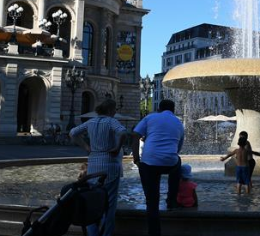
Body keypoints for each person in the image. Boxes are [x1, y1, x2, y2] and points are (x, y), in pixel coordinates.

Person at [69, 98, 128, 236]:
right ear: (110, 110)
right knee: (110, 204)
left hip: (93, 166)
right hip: (110, 165)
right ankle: (106, 234)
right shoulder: (111, 121)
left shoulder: (91, 122)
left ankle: (93, 234)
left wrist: (86, 147)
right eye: (114, 110)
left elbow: (72, 133)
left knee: (93, 202)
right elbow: (123, 132)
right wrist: (117, 147)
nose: (115, 112)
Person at [131, 99, 184, 236]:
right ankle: (171, 199)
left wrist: (136, 158)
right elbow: (178, 147)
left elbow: (135, 134)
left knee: (152, 201)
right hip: (170, 163)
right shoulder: (178, 122)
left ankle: (154, 232)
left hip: (149, 163)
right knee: (177, 161)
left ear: (159, 109)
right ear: (173, 110)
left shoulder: (150, 117)